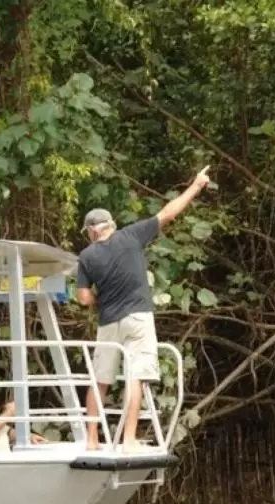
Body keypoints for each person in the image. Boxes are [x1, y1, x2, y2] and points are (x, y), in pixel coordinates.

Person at [76, 165, 211, 452]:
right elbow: (169, 212)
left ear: (91, 230)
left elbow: (84, 299)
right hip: (138, 317)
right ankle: (128, 440)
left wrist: (102, 298)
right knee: (136, 376)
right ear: (111, 224)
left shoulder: (86, 256)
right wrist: (196, 186)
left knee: (100, 380)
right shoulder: (132, 235)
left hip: (109, 322)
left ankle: (90, 439)